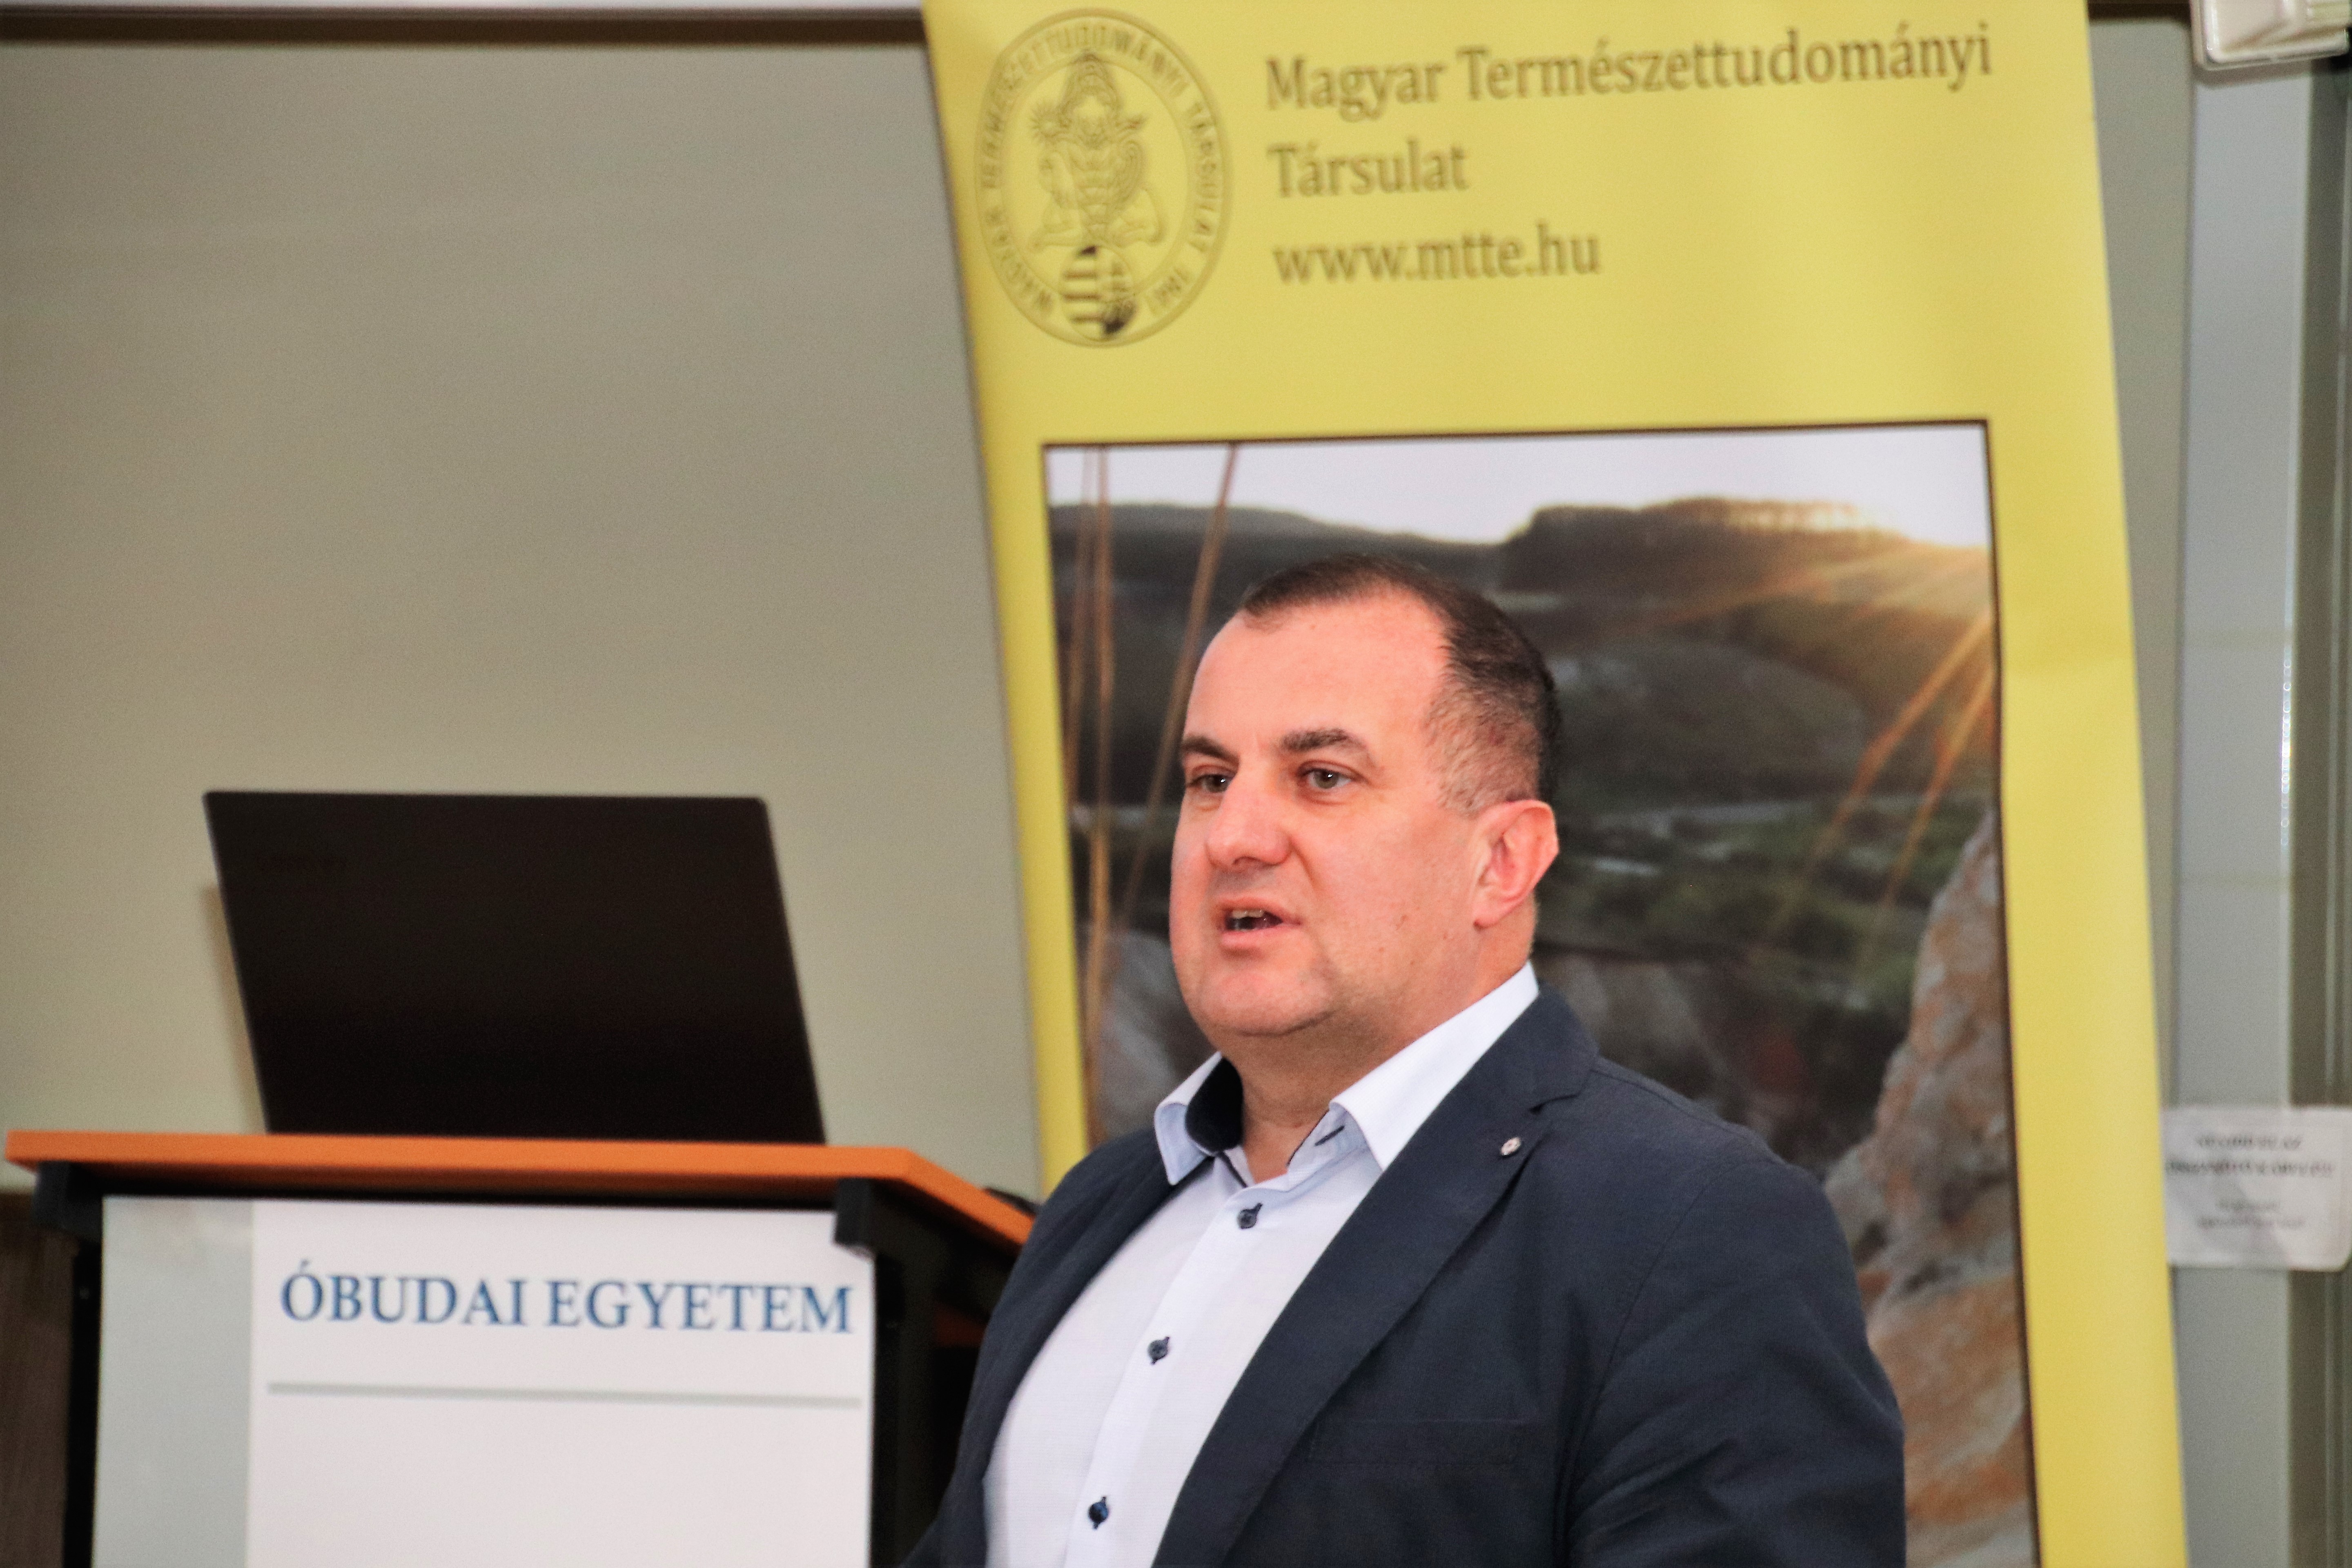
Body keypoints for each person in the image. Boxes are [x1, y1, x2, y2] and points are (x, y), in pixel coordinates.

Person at [911, 553, 1904, 1567]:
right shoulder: (1094, 1208)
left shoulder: (1695, 1229)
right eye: (1210, 780)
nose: (1233, 836)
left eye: (1323, 777)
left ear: (1501, 861)